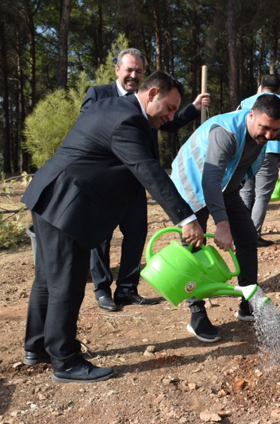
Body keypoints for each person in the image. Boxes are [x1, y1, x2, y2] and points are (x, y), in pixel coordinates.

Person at [21, 71, 204, 382]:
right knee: (66, 282)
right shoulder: (128, 122)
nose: (171, 116)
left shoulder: (117, 107)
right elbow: (148, 171)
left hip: (53, 196)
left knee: (46, 280)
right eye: (170, 107)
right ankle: (65, 361)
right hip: (67, 204)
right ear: (152, 94)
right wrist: (186, 218)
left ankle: (37, 348)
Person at [81, 48, 211, 312]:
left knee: (136, 234)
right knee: (101, 238)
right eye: (129, 69)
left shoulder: (150, 103)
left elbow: (169, 122)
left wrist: (194, 108)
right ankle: (102, 289)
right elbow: (88, 131)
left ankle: (127, 290)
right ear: (117, 69)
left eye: (139, 71)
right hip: (106, 183)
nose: (133, 75)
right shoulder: (99, 95)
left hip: (137, 180)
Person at [171, 94, 280, 342]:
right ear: (250, 116)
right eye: (265, 128)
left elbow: (279, 134)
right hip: (194, 186)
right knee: (194, 247)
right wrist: (221, 224)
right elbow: (209, 180)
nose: (269, 135)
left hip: (226, 188)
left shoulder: (266, 129)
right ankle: (197, 314)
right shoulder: (225, 133)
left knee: (247, 237)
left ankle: (247, 303)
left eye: (274, 129)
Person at [239, 74, 280, 248]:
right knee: (262, 195)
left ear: (260, 86)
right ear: (278, 89)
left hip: (245, 151)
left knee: (245, 192)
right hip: (269, 151)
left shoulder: (246, 102)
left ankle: (241, 232)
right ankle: (253, 234)